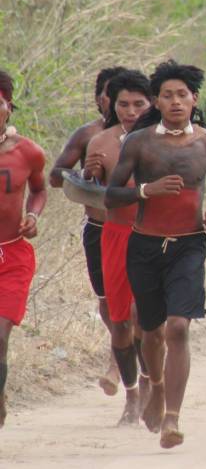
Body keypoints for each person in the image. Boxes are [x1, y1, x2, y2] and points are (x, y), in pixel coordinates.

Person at [104, 59, 206, 448]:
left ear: (195, 99)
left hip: (189, 245)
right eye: (167, 95)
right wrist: (147, 190)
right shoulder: (140, 143)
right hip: (143, 244)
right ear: (156, 103)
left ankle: (173, 418)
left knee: (178, 327)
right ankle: (156, 387)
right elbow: (111, 195)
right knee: (149, 329)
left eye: (182, 95)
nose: (176, 102)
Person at [49, 66, 125, 396]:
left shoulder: (142, 135)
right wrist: (84, 174)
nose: (120, 102)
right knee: (107, 303)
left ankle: (118, 365)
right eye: (112, 94)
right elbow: (55, 176)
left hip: (137, 229)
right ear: (100, 99)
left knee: (134, 304)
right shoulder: (87, 135)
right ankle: (123, 350)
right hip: (97, 228)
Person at [83, 70, 153, 425]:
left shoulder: (165, 140)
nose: (129, 110)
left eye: (138, 104)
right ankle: (132, 393)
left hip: (153, 236)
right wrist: (90, 178)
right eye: (123, 104)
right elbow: (91, 198)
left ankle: (148, 387)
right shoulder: (101, 142)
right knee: (121, 322)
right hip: (114, 235)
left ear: (151, 103)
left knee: (146, 319)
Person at [0, 70, 47, 429]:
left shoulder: (28, 152)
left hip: (11, 255)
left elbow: (39, 190)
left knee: (0, 334)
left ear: (8, 108)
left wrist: (33, 215)